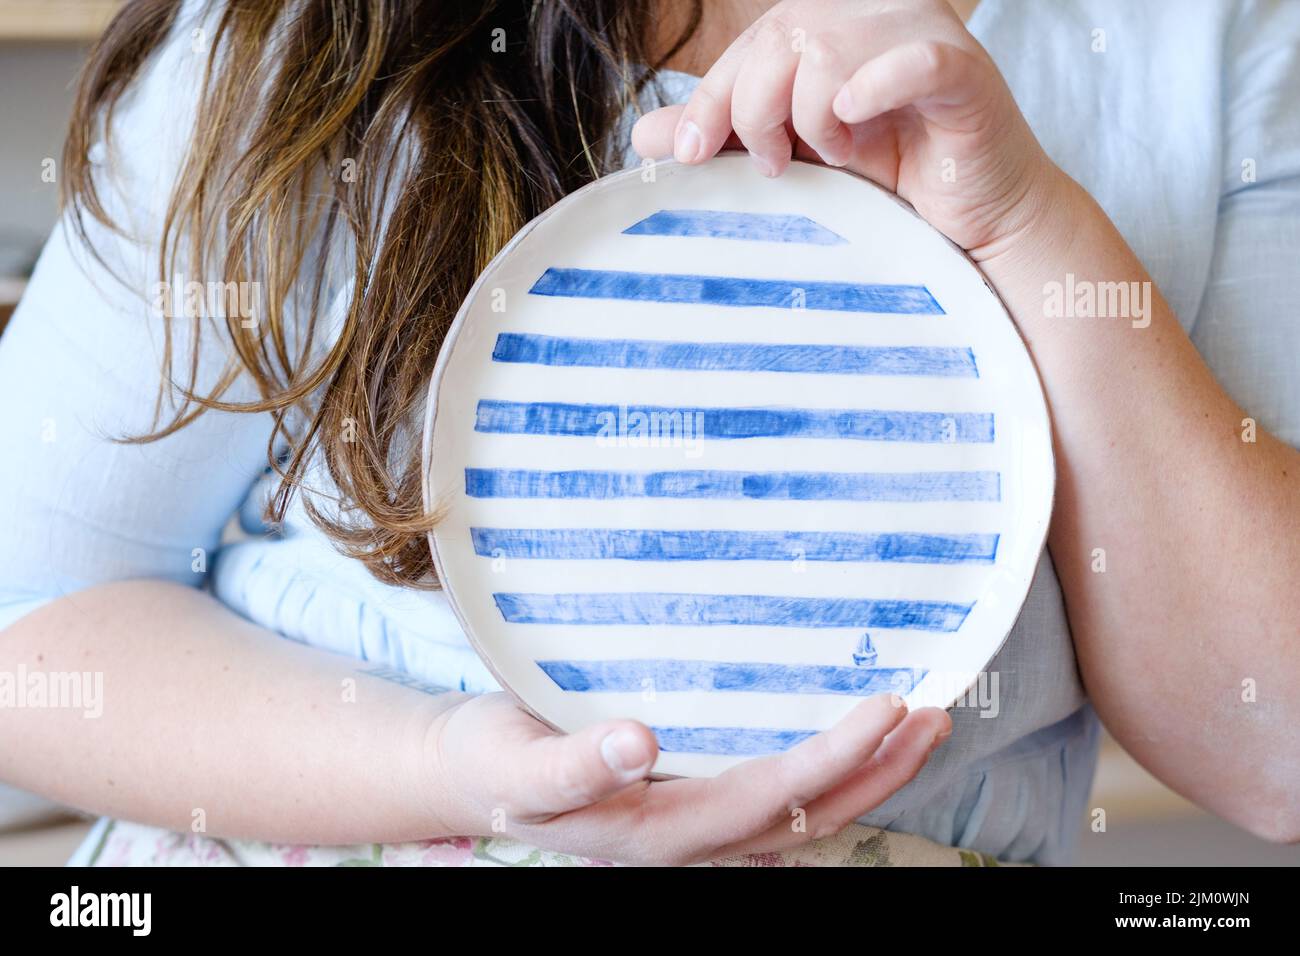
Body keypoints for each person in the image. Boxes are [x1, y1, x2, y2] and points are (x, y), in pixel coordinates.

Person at [0, 0, 1296, 867]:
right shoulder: (297, 37)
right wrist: (443, 768)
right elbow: (34, 631)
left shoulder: (1196, 41)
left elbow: (1276, 754)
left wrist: (1028, 223)